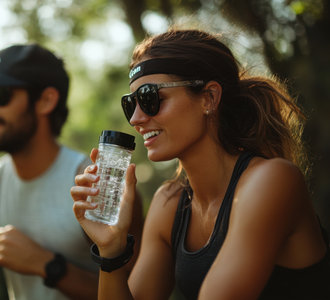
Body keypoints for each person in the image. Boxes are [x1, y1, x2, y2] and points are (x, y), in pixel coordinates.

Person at [71, 28, 330, 300]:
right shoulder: (169, 203)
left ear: (209, 98)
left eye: (149, 98)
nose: (135, 118)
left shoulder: (271, 181)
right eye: (130, 104)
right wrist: (111, 250)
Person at [0, 43, 143, 300]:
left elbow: (137, 295)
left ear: (46, 101)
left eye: (0, 94)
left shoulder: (96, 186)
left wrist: (50, 266)